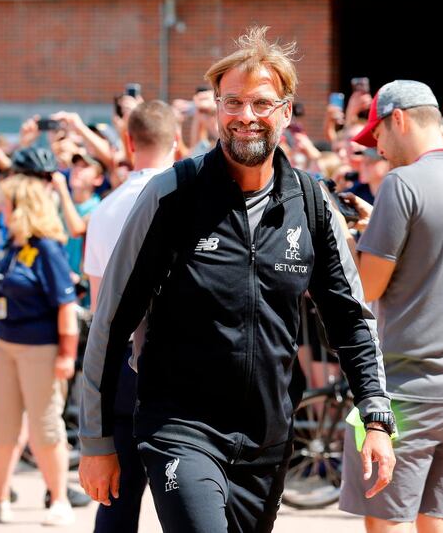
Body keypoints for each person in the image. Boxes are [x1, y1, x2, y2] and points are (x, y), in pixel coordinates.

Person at [79, 26, 396, 532]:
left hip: (267, 441)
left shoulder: (312, 205)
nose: (245, 116)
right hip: (180, 429)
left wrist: (376, 416)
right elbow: (112, 321)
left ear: (287, 112)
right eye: (232, 103)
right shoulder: (173, 195)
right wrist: (96, 442)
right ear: (217, 110)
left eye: (261, 104)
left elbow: (351, 321)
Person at [337, 80, 443, 533]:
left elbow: (368, 285)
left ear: (400, 119)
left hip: (410, 386)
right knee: (440, 520)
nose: (379, 151)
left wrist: (350, 240)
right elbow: (440, 251)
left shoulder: (402, 183)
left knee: (387, 518)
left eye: (377, 137)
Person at [0, 150, 79, 527]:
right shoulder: (14, 248)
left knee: (45, 427)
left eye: (6, 203)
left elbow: (66, 305)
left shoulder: (47, 249)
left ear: (22, 205)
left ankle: (60, 499)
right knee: (3, 425)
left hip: (40, 348)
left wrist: (67, 354)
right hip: (4, 345)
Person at [82, 99, 178, 533]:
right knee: (187, 501)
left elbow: (102, 309)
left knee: (117, 498)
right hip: (180, 362)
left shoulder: (105, 209)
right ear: (176, 142)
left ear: (127, 141)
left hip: (123, 364)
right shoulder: (190, 198)